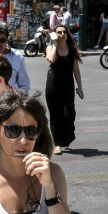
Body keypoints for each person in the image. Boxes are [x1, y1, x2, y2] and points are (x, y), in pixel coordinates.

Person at [44, 23, 83, 155]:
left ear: (67, 34)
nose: (62, 35)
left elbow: (76, 69)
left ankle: (65, 138)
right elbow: (50, 59)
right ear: (55, 34)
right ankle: (57, 143)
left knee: (69, 114)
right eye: (59, 32)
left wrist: (80, 87)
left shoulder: (71, 49)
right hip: (53, 86)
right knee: (55, 115)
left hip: (68, 85)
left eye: (64, 32)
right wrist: (55, 44)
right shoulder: (50, 47)